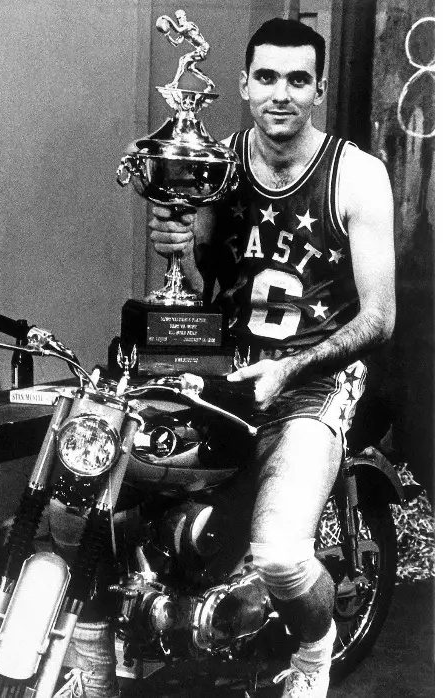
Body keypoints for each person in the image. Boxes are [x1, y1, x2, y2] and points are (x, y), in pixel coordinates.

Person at [149, 18, 395, 697]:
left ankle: (315, 654)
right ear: (241, 85)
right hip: (229, 373)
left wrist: (288, 368)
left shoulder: (356, 175)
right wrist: (178, 251)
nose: (279, 94)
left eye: (296, 80)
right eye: (265, 78)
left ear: (319, 89)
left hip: (315, 380)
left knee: (283, 557)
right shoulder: (212, 162)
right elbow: (205, 289)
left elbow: (380, 317)